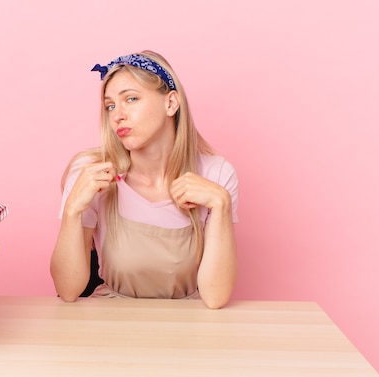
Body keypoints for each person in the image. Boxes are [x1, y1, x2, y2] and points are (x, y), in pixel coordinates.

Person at [50, 50, 239, 309]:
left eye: (131, 99)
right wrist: (72, 211)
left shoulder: (216, 174)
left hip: (189, 328)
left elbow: (216, 298)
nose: (117, 115)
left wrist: (221, 205)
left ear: (170, 103)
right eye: (110, 106)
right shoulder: (91, 174)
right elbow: (68, 290)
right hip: (111, 325)